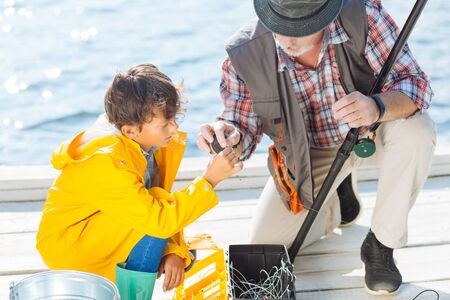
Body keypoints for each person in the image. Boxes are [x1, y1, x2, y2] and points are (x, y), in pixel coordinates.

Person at [197, 0, 436, 295]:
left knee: (418, 129)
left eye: (302, 27)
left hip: (375, 131)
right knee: (267, 245)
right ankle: (336, 201)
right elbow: (241, 125)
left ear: (326, 14)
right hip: (310, 156)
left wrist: (375, 107)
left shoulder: (364, 15)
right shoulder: (243, 54)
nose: (289, 38)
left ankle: (381, 245)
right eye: (281, 26)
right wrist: (226, 135)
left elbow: (416, 84)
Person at [36, 64, 242, 297]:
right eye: (165, 124)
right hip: (72, 250)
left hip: (106, 229)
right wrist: (209, 180)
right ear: (130, 130)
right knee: (156, 215)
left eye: (173, 118)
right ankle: (131, 294)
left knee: (158, 213)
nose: (174, 127)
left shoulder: (147, 142)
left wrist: (174, 250)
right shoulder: (108, 161)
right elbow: (158, 217)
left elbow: (159, 202)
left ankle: (150, 267)